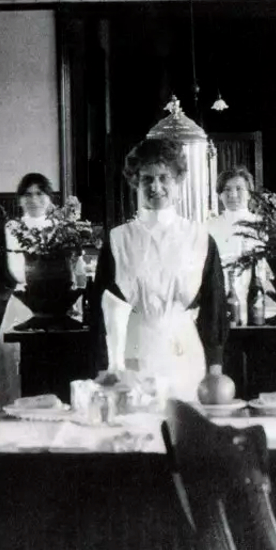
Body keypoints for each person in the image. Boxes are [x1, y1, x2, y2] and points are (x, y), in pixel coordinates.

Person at [87, 138, 229, 401]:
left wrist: (216, 367)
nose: (156, 187)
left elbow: (214, 305)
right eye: (147, 179)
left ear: (178, 182)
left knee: (185, 430)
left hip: (185, 352)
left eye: (164, 178)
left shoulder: (199, 238)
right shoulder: (119, 240)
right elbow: (100, 311)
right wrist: (104, 366)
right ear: (135, 183)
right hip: (133, 353)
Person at [0, 172, 61, 402]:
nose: (34, 199)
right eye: (27, 194)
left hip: (54, 306)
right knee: (14, 359)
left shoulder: (61, 228)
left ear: (49, 198)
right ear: (19, 200)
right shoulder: (8, 228)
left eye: (40, 193)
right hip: (20, 303)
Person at [206, 166, 276, 322]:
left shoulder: (261, 223)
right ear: (219, 195)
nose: (233, 195)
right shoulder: (210, 225)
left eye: (239, 189)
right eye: (226, 190)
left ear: (250, 193)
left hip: (255, 285)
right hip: (222, 285)